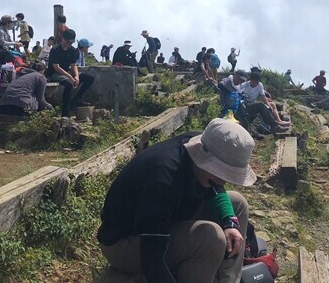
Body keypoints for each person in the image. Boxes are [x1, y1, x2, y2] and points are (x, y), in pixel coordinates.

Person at [97, 118, 254, 283]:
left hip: (166, 220)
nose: (223, 181)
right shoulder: (164, 180)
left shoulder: (201, 145)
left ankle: (227, 280)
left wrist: (230, 223)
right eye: (221, 172)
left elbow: (215, 186)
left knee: (237, 204)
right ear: (205, 160)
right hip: (126, 244)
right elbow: (152, 261)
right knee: (210, 236)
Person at [47, 28, 95, 117]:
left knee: (89, 78)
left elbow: (73, 65)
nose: (69, 44)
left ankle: (77, 98)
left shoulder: (72, 50)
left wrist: (76, 76)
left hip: (67, 72)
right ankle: (65, 111)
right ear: (63, 38)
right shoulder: (55, 49)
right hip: (55, 73)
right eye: (67, 41)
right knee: (69, 84)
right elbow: (56, 67)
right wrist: (70, 77)